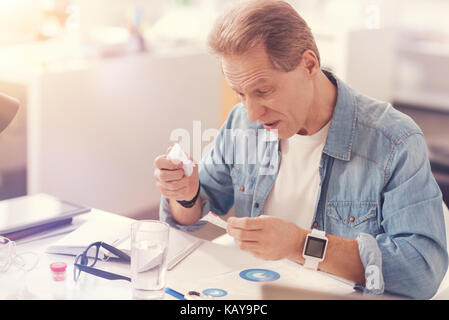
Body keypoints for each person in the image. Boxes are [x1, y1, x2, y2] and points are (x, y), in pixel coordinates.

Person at [154, 0, 448, 299]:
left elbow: (421, 271)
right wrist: (186, 194)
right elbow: (195, 209)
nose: (252, 112)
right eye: (240, 93)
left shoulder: (394, 140)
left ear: (309, 65)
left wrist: (301, 245)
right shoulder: (243, 122)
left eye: (263, 91)